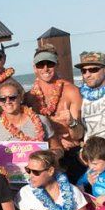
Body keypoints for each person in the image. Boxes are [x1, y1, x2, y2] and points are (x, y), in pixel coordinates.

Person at [26, 44, 86, 182]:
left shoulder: (71, 91)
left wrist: (71, 122)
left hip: (70, 154)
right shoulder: (29, 97)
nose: (45, 69)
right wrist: (56, 140)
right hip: (43, 155)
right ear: (35, 68)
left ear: (57, 64)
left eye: (50, 64)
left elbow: (79, 134)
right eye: (41, 65)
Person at [0, 82, 60, 151]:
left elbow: (57, 148)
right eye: (3, 99)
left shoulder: (41, 120)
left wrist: (47, 158)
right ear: (0, 102)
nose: (7, 101)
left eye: (12, 97)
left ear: (20, 98)